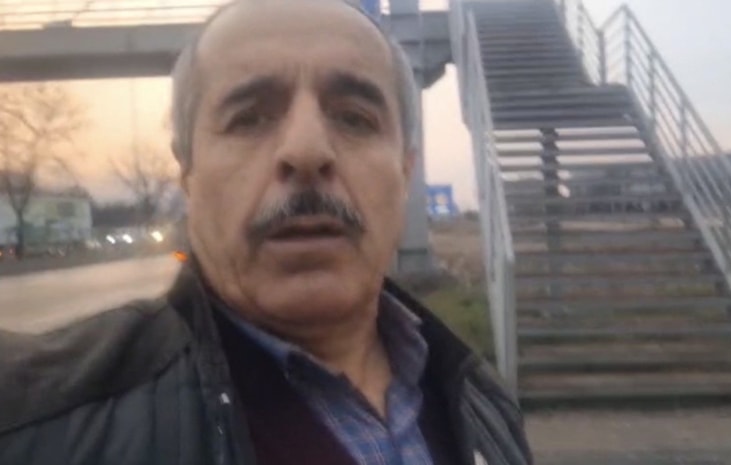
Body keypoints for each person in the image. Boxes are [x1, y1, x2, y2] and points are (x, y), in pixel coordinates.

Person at [0, 1, 533, 464]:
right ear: (188, 172)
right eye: (249, 119)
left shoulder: (482, 402)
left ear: (404, 171)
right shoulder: (42, 424)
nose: (306, 150)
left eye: (354, 118)